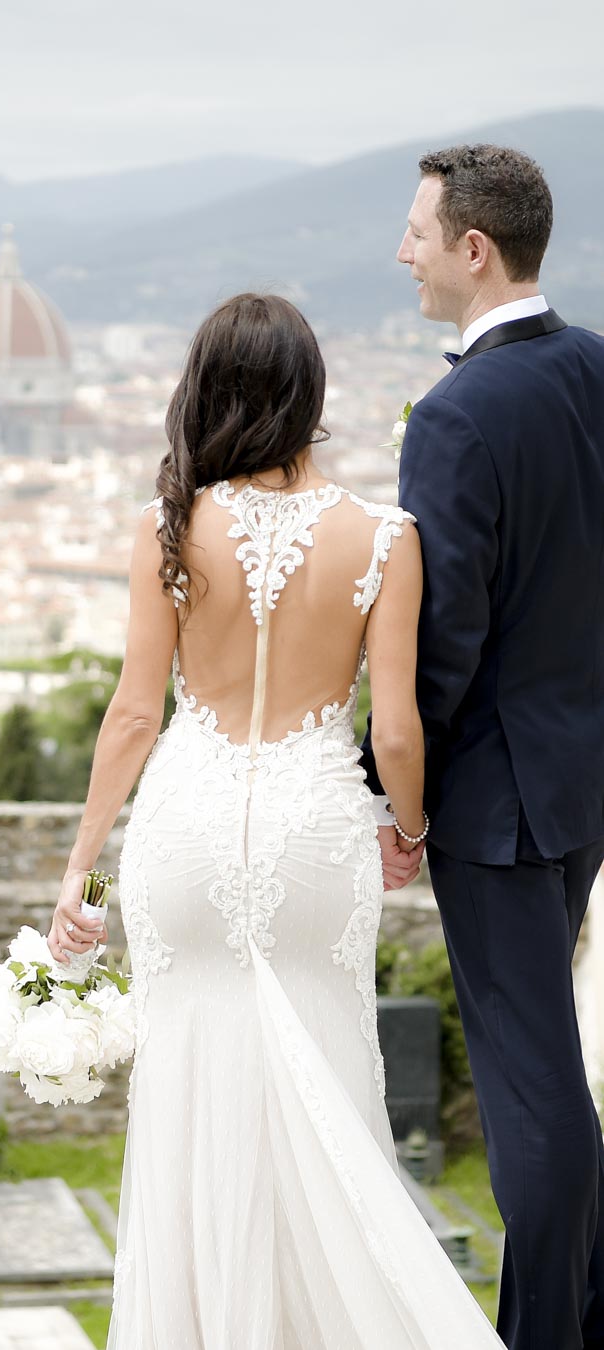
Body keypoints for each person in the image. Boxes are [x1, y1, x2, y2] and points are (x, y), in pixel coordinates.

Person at [47, 292, 503, 1347]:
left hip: (184, 831)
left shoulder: (166, 527)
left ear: (206, 391)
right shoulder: (386, 537)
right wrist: (410, 829)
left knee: (187, 1097)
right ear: (311, 395)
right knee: (326, 1088)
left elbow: (133, 715)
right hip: (315, 834)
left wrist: (81, 873)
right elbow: (397, 732)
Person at [362, 143, 604, 1350]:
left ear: (473, 248)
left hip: (497, 804)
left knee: (531, 1096)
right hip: (581, 780)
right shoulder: (597, 367)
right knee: (549, 1077)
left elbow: (443, 641)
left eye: (418, 233)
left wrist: (392, 793)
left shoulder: (458, 415)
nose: (402, 253)